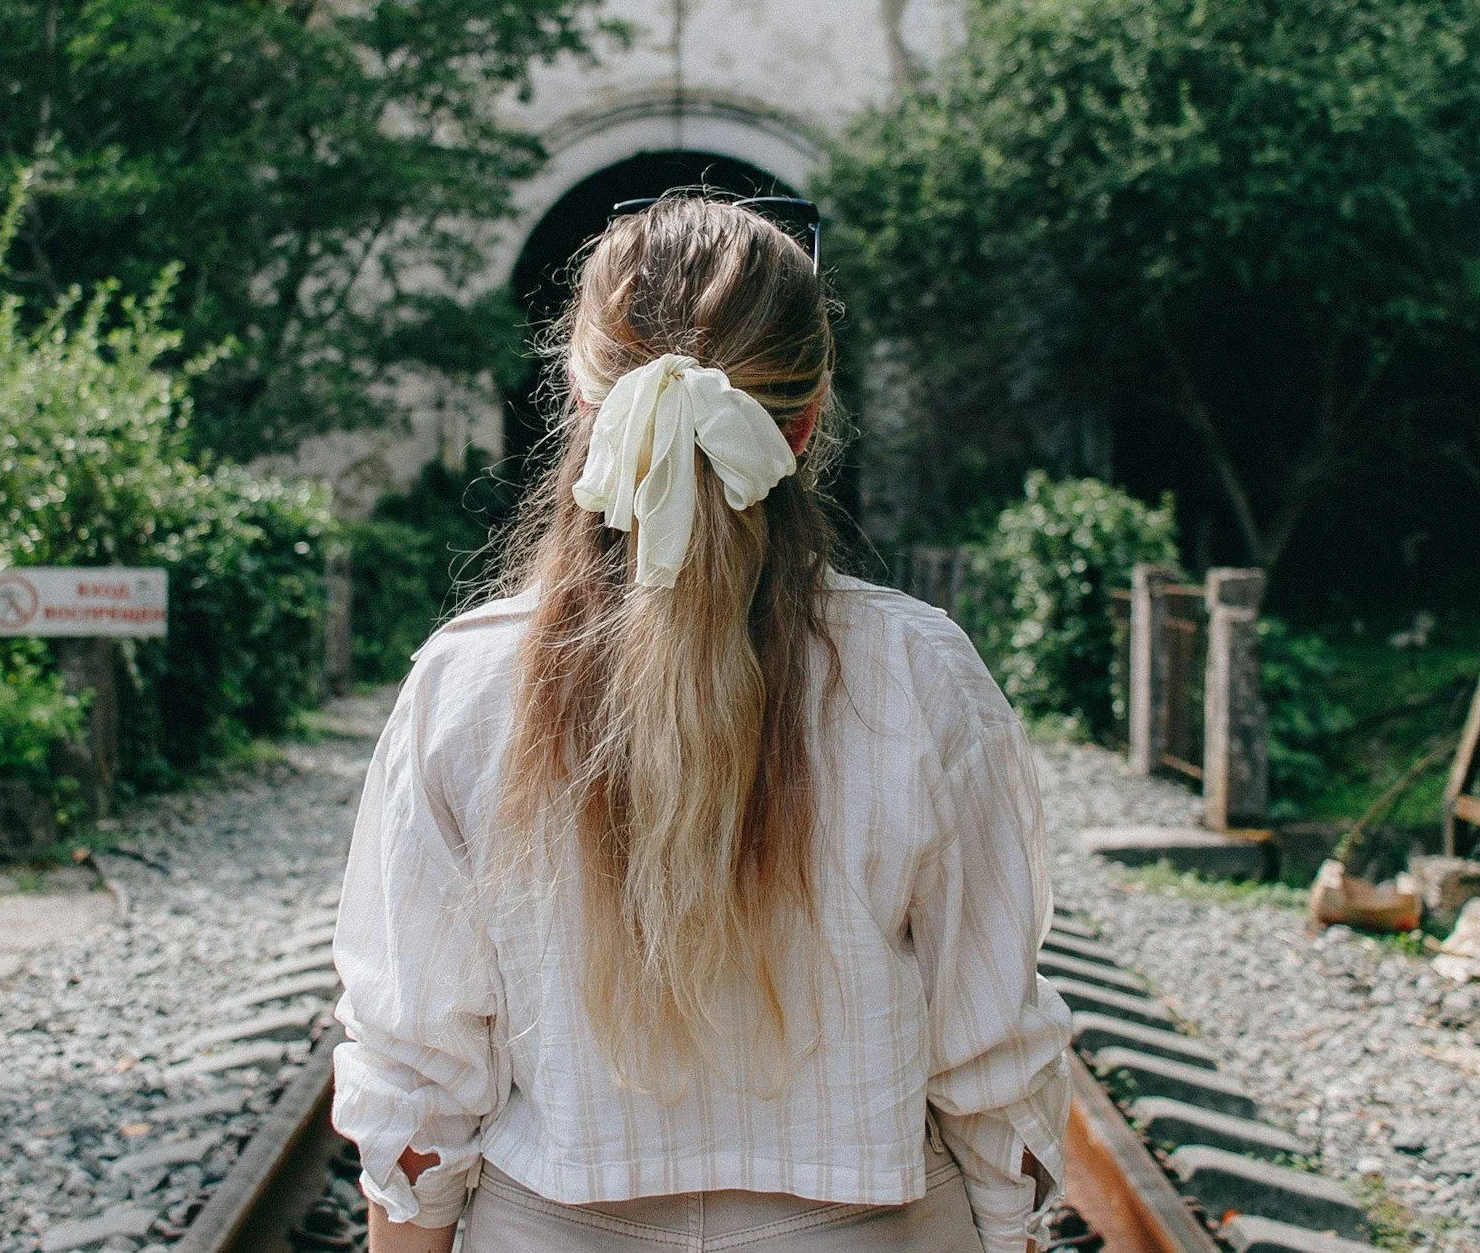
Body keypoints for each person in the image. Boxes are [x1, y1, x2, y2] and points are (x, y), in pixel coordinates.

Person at [332, 195, 1071, 1253]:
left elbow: (415, 1069)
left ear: (583, 407)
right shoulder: (921, 675)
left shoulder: (464, 682)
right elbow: (991, 1048)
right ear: (809, 419)